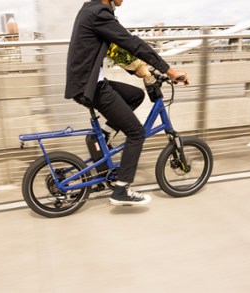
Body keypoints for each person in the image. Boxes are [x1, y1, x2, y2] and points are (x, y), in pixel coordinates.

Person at [64, 0, 190, 206]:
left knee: (134, 96)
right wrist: (170, 71)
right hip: (91, 86)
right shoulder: (99, 13)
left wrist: (140, 69)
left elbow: (115, 47)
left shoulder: (93, 10)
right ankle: (122, 189)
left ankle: (101, 136)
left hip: (89, 81)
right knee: (136, 133)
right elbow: (132, 43)